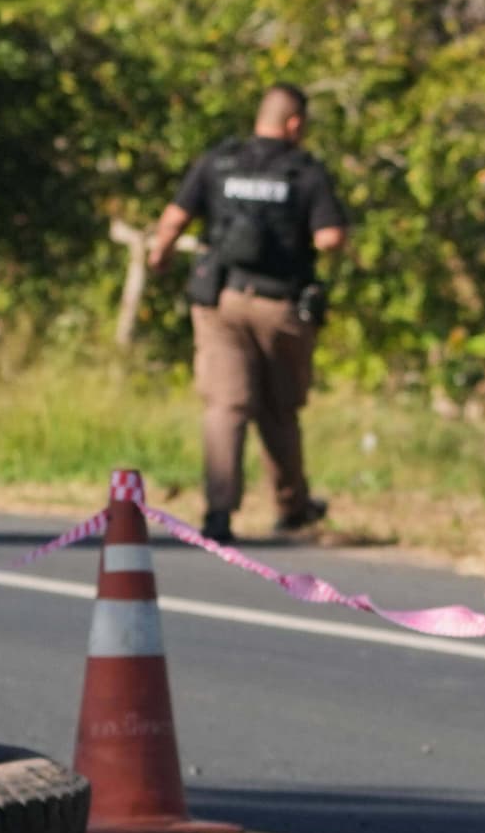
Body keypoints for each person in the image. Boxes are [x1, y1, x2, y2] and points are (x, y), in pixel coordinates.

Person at [142, 84, 347, 542]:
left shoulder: (220, 161)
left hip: (221, 300)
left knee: (226, 405)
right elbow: (329, 238)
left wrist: (160, 255)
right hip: (281, 305)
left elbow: (174, 218)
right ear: (295, 125)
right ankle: (292, 507)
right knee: (280, 408)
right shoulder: (304, 172)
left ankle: (218, 514)